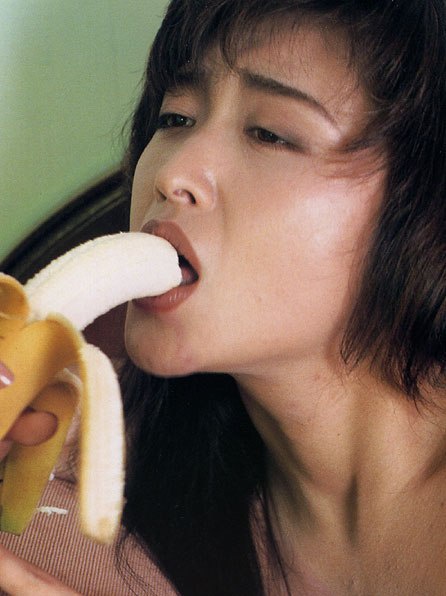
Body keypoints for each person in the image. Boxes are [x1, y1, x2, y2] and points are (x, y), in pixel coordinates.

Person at [1, 0, 446, 593]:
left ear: (424, 212)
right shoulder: (61, 486)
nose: (172, 174)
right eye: (175, 118)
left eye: (270, 134)